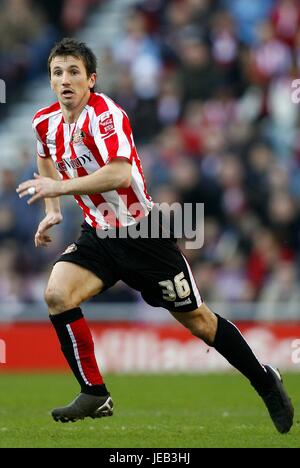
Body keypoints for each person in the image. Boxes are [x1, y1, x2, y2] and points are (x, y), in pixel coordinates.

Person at [17, 38, 293, 432]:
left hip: (143, 233)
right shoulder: (43, 122)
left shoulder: (106, 115)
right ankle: (94, 391)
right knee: (56, 294)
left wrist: (59, 190)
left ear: (91, 79)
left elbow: (119, 173)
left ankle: (265, 380)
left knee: (200, 322)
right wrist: (52, 211)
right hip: (98, 234)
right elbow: (44, 156)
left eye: (74, 72)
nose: (65, 80)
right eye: (57, 73)